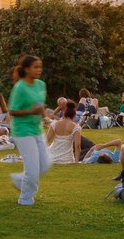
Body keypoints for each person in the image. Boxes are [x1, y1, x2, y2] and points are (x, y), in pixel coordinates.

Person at [8, 55, 49, 207]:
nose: (39, 70)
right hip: (22, 130)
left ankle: (20, 180)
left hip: (36, 128)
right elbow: (12, 111)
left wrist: (44, 117)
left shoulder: (40, 85)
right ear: (26, 69)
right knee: (32, 169)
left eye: (40, 67)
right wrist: (32, 111)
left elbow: (39, 105)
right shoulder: (20, 87)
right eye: (35, 67)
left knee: (44, 165)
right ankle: (25, 199)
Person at [45, 100, 82, 165]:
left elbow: (46, 140)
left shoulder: (55, 123)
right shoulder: (76, 127)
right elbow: (77, 145)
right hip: (66, 159)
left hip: (52, 157)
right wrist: (76, 161)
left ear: (64, 113)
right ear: (74, 114)